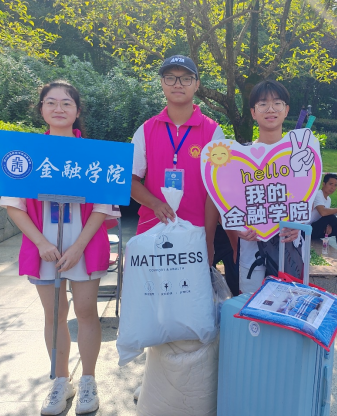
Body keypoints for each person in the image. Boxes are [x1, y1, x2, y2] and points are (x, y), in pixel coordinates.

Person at [0, 80, 118, 415]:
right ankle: (60, 381)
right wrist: (41, 243)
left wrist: (79, 246)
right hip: (45, 251)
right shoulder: (25, 152)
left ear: (77, 111)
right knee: (54, 314)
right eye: (50, 102)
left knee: (86, 313)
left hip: (84, 246)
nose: (58, 108)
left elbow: (102, 206)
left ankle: (88, 380)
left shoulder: (95, 154)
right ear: (41, 109)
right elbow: (13, 206)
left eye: (67, 103)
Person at [130, 55, 230, 399]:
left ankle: (193, 381)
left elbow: (215, 191)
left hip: (194, 237)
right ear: (161, 83)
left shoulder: (213, 132)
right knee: (155, 307)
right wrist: (155, 203)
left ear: (197, 85)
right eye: (170, 78)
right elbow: (131, 180)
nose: (178, 84)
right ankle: (154, 381)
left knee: (191, 305)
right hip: (153, 235)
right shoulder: (146, 129)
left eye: (185, 78)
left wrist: (209, 239)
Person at [237, 80, 299, 293]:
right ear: (253, 112)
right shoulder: (240, 156)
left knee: (286, 306)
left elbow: (307, 199)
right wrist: (238, 229)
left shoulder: (299, 155)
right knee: (251, 307)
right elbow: (227, 201)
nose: (270, 109)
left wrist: (299, 225)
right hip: (251, 248)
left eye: (277, 103)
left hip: (289, 248)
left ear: (286, 110)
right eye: (263, 104)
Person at [309, 173, 337, 255]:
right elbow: (323, 212)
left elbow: (325, 215)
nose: (332, 187)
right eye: (330, 184)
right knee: (331, 217)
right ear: (324, 184)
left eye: (335, 185)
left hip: (319, 229)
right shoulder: (318, 194)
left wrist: (329, 225)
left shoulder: (329, 199)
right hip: (309, 230)